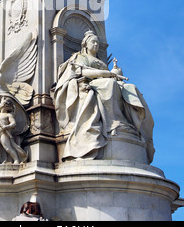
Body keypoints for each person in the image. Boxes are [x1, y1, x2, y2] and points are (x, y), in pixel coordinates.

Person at [53, 31, 154, 162]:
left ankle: (133, 124)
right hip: (91, 82)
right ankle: (113, 122)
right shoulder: (80, 57)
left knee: (131, 88)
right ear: (85, 44)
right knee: (110, 84)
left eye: (97, 42)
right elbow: (82, 71)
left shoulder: (99, 61)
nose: (96, 44)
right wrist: (105, 74)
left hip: (103, 81)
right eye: (93, 42)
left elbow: (109, 74)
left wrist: (114, 72)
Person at [0, 96, 28, 164]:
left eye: (1, 103)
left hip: (3, 133)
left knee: (8, 148)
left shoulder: (8, 115)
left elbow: (13, 123)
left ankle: (16, 159)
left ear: (6, 106)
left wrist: (7, 127)